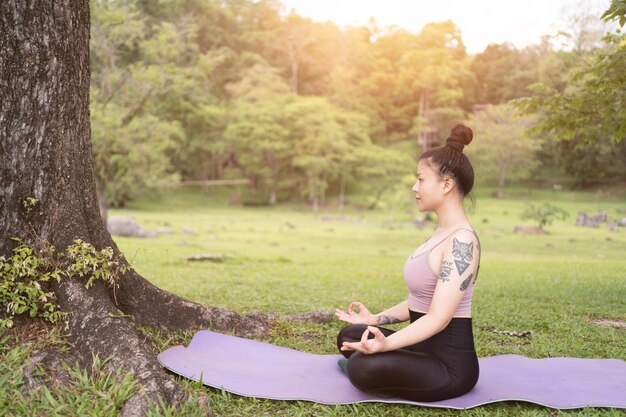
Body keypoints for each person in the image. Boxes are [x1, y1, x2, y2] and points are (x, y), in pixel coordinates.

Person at [335, 124, 481, 402]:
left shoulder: (462, 242)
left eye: (421, 179)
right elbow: (420, 300)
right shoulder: (440, 234)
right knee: (352, 333)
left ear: (447, 184)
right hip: (420, 350)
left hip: (449, 368)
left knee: (360, 364)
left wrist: (387, 344)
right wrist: (374, 319)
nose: (415, 187)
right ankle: (393, 361)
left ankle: (382, 366)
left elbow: (439, 317)